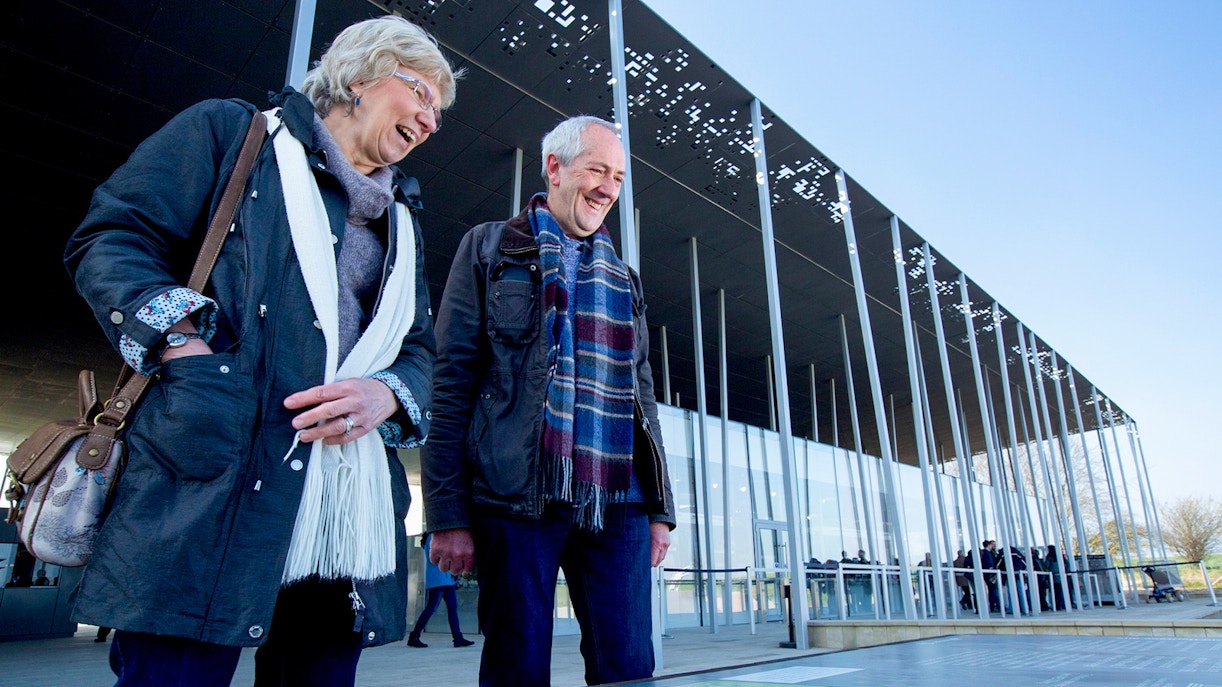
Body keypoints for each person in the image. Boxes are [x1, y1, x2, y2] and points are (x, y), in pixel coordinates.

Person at [62, 15, 460, 687]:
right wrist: (185, 349)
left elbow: (420, 349)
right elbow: (110, 238)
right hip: (207, 488)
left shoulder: (404, 223)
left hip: (341, 515)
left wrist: (385, 393)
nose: (430, 120)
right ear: (361, 74)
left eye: (438, 113)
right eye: (421, 93)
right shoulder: (230, 133)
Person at [423, 115, 677, 687]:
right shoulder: (490, 248)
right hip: (518, 501)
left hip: (620, 500)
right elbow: (453, 381)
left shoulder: (626, 279)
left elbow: (644, 394)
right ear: (555, 168)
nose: (609, 188)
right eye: (597, 170)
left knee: (630, 669)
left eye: (617, 177)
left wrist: (659, 507)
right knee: (516, 667)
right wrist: (447, 514)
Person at [407, 533, 475, 648]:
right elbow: (436, 557)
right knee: (432, 608)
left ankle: (457, 637)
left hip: (446, 578)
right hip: (438, 578)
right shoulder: (432, 538)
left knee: (451, 608)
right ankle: (414, 636)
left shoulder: (436, 537)